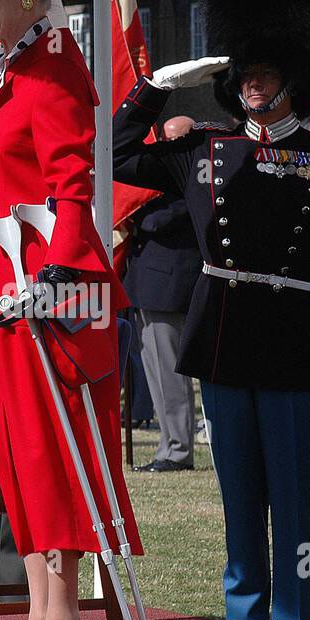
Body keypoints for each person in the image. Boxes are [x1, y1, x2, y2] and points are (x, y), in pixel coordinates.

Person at [114, 0, 310, 620]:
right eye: (244, 70)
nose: (253, 82)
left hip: (293, 344)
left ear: (295, 75)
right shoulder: (205, 150)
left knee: (293, 504)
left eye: (265, 71)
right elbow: (110, 156)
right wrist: (157, 86)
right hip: (224, 339)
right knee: (239, 505)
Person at [0, 0, 143, 620]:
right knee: (18, 454)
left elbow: (71, 179)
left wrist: (61, 269)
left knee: (50, 450)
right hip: (2, 285)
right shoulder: (4, 70)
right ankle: (39, 616)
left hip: (47, 289)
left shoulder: (54, 65)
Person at [123, 122, 201, 473]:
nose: (163, 144)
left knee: (170, 373)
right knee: (155, 371)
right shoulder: (164, 174)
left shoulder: (189, 175)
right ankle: (167, 443)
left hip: (169, 286)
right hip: (147, 284)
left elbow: (162, 220)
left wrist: (131, 215)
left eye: (170, 139)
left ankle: (179, 448)